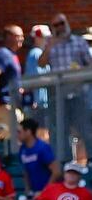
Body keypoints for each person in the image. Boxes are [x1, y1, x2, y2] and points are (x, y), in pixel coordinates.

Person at [38, 14, 92, 157]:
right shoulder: (50, 44)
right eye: (56, 25)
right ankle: (64, 164)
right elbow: (41, 63)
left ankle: (91, 163)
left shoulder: (79, 42)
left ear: (67, 23)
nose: (60, 27)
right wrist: (49, 47)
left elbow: (89, 65)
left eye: (61, 23)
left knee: (85, 130)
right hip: (59, 95)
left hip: (79, 93)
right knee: (61, 132)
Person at [17, 119, 59, 200]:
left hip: (49, 194)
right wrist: (28, 193)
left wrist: (45, 191)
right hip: (34, 195)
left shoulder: (42, 148)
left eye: (20, 132)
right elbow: (25, 172)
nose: (18, 135)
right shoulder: (23, 149)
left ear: (28, 132)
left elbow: (56, 172)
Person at [0, 25, 24, 139]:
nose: (22, 38)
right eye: (18, 36)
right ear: (9, 37)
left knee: (14, 136)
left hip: (13, 104)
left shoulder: (12, 55)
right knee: (6, 137)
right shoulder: (3, 53)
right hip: (4, 104)